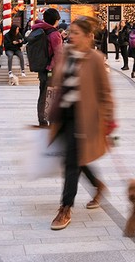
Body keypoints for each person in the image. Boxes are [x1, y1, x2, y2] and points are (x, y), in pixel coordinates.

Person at [47, 16, 115, 231]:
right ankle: (98, 185)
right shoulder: (65, 53)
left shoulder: (96, 58)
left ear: (88, 37)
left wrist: (109, 121)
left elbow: (106, 93)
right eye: (71, 32)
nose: (71, 36)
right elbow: (58, 82)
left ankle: (65, 208)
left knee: (71, 162)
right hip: (63, 115)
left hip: (84, 118)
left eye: (76, 33)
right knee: (75, 158)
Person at [26, 7, 64, 127]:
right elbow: (58, 54)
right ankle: (51, 120)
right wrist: (52, 68)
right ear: (56, 20)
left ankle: (42, 119)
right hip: (51, 69)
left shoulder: (40, 29)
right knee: (51, 94)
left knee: (43, 93)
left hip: (42, 68)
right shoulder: (54, 34)